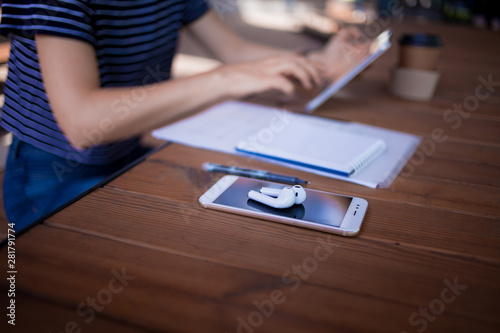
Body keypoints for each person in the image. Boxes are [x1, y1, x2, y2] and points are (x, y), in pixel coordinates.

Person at [0, 0, 364, 233]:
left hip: (131, 151)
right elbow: (83, 122)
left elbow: (233, 49)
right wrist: (227, 78)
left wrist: (319, 62)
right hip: (51, 170)